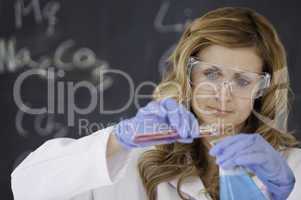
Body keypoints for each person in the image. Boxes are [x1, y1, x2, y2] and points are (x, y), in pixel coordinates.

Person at [11, 6, 301, 200]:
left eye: (242, 81)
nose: (222, 96)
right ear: (188, 75)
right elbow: (26, 187)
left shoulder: (288, 169)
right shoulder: (135, 162)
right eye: (211, 74)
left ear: (263, 88)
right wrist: (116, 141)